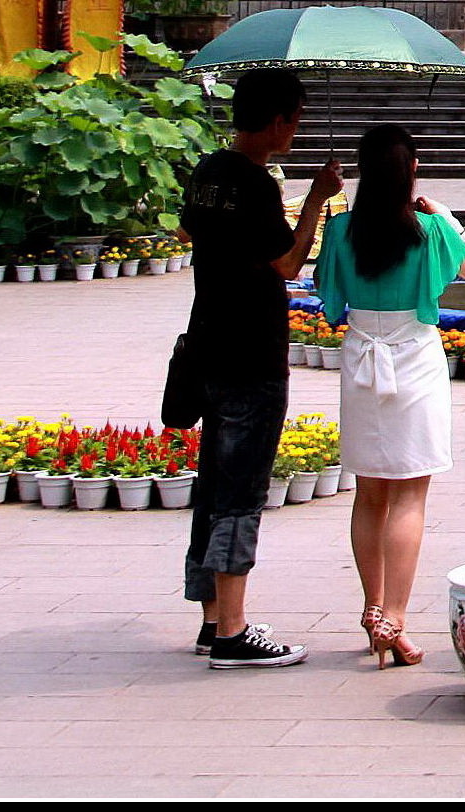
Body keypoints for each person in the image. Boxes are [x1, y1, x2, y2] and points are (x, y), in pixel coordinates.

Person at [178, 69, 341, 668]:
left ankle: (211, 616)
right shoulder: (254, 183)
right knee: (242, 487)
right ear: (276, 120)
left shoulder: (209, 171)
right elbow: (290, 264)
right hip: (253, 347)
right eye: (295, 119)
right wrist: (319, 201)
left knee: (213, 481)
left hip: (208, 340)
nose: (296, 129)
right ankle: (234, 632)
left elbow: (188, 229)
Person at [313, 124, 465, 668]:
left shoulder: (342, 228)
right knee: (411, 495)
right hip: (413, 358)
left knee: (370, 494)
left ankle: (373, 611)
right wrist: (445, 214)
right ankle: (394, 616)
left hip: (362, 358)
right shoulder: (429, 229)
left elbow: (324, 288)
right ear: (412, 170)